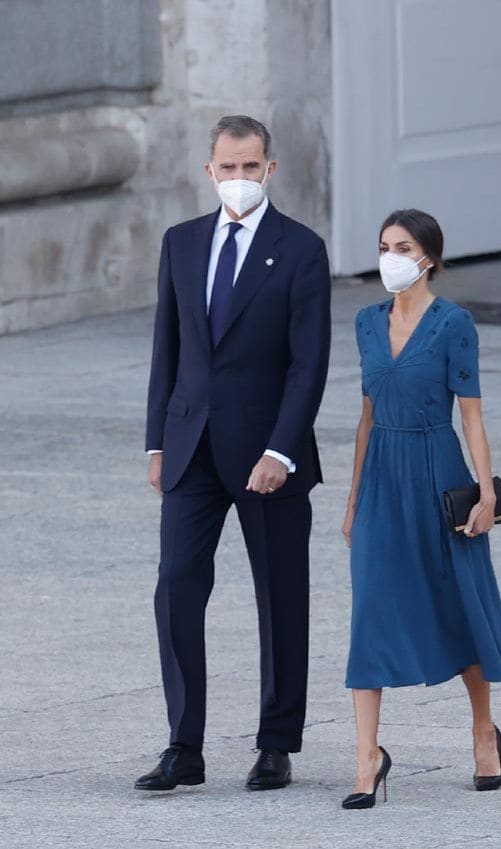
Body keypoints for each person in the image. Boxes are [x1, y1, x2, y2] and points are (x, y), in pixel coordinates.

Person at [136, 116, 331, 793]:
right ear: (209, 169)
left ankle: (276, 743)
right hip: (190, 448)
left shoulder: (300, 250)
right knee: (176, 589)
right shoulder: (181, 243)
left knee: (279, 597)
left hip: (267, 455)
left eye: (252, 168)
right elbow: (169, 348)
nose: (241, 180)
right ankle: (182, 744)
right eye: (229, 168)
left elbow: (308, 364)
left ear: (270, 170)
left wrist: (281, 448)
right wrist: (158, 441)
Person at [341, 209, 501, 810]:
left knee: (457, 605)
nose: (391, 255)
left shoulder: (454, 324)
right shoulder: (365, 323)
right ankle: (367, 759)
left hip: (439, 473)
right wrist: (353, 498)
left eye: (403, 246)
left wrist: (487, 493)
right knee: (369, 610)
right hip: (383, 476)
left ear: (429, 257)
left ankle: (482, 731)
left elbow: (471, 415)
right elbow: (365, 416)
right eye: (384, 245)